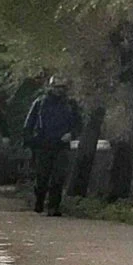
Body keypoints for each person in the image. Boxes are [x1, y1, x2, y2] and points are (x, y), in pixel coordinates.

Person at [23, 79, 83, 215]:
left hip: (61, 145)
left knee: (58, 177)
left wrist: (71, 134)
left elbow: (78, 124)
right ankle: (39, 201)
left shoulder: (70, 104)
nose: (59, 90)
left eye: (62, 87)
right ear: (50, 87)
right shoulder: (40, 103)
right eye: (56, 87)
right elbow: (29, 124)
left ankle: (53, 206)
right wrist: (30, 142)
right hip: (42, 145)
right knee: (42, 177)